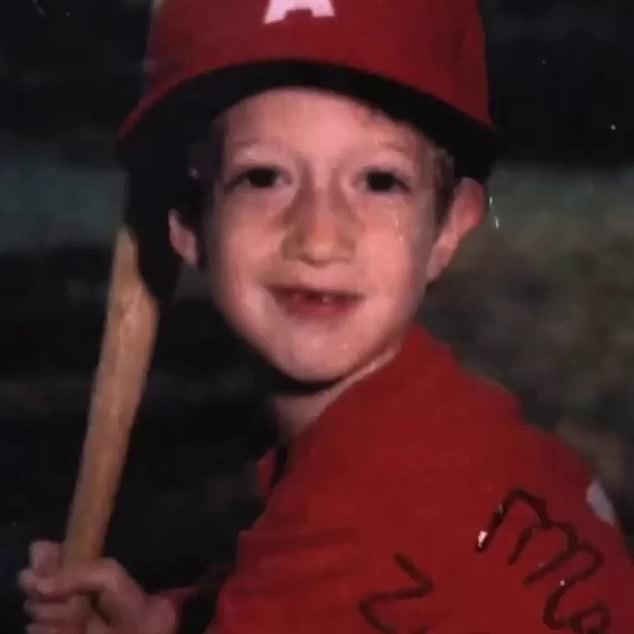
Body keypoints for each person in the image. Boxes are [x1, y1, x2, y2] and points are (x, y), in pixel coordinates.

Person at [19, 1, 634, 632]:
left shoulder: (341, 525)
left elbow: (331, 577)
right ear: (186, 220)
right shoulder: (457, 430)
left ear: (448, 227)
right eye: (264, 177)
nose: (318, 237)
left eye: (378, 181)